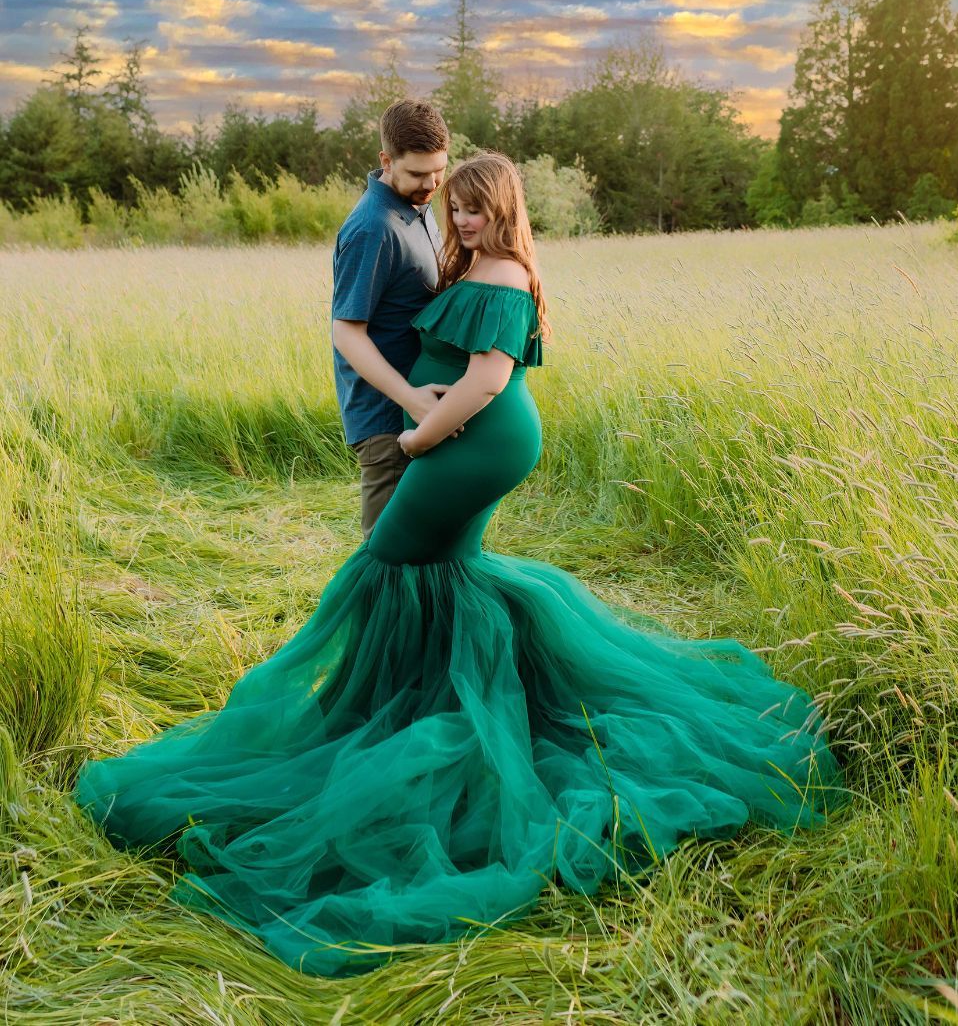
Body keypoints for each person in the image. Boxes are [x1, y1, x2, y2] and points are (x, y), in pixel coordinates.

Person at [74, 151, 845, 979]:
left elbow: (482, 383)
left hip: (472, 440)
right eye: (458, 208)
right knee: (439, 575)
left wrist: (412, 438)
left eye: (476, 208)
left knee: (386, 563)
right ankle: (418, 706)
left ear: (503, 209)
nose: (462, 218)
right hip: (467, 440)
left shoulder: (505, 271)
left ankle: (391, 715)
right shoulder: (474, 260)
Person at [330, 98, 449, 538]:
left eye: (438, 170)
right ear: (386, 160)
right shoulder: (372, 228)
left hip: (422, 407)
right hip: (387, 418)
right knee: (387, 554)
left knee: (426, 546)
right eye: (417, 173)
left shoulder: (419, 205)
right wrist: (412, 399)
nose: (431, 183)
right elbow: (346, 332)